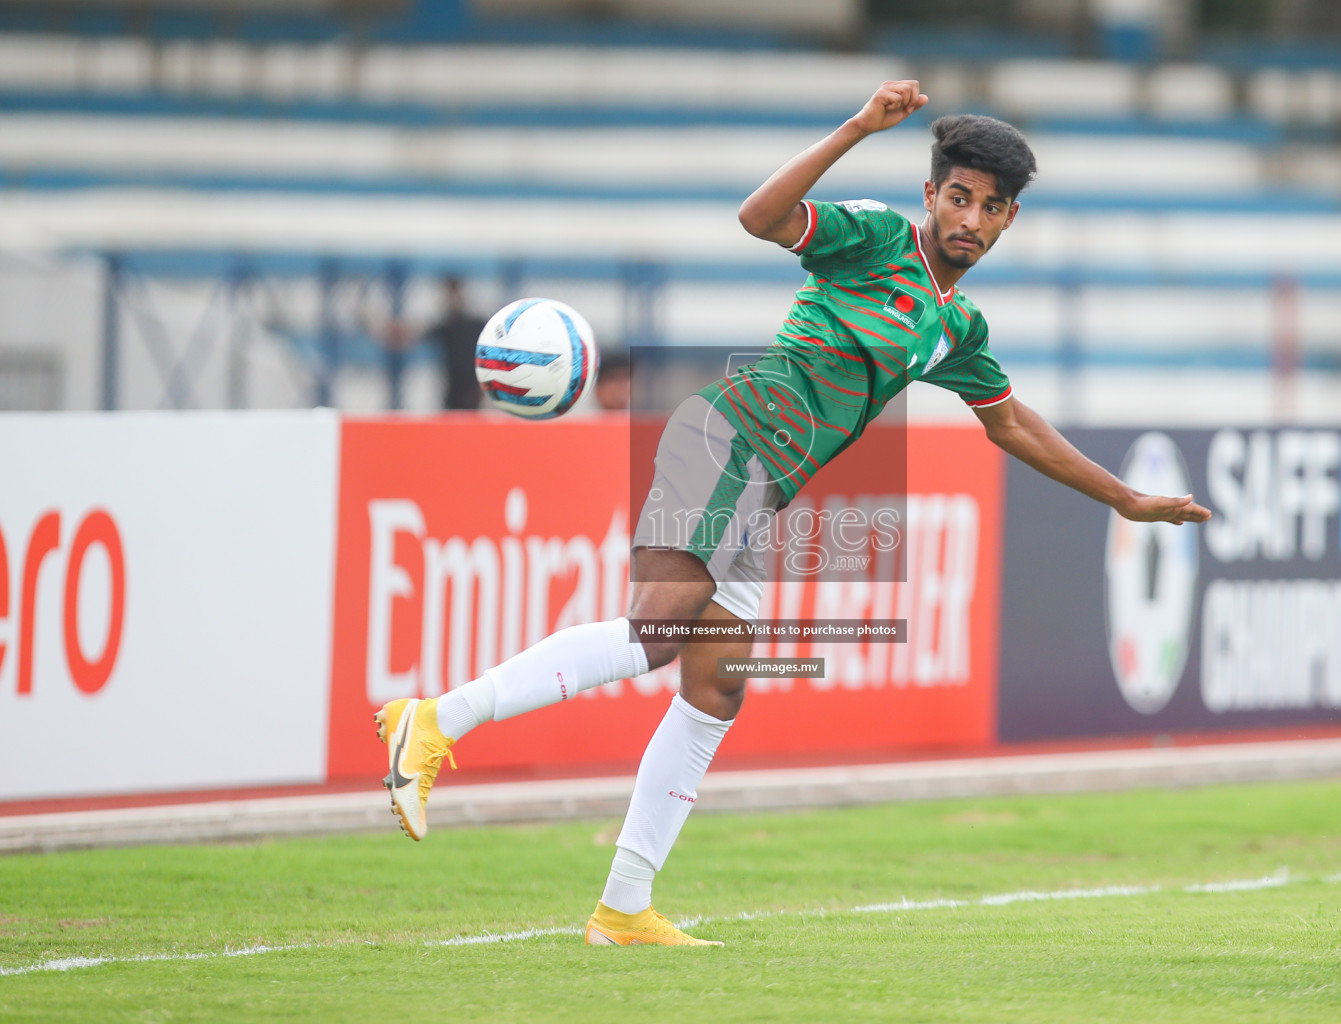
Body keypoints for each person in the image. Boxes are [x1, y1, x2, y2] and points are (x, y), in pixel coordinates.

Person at [373, 81, 1211, 947]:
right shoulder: (878, 238)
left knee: (717, 685)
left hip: (763, 486)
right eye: (957, 196)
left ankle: (623, 906)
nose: (970, 216)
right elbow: (760, 218)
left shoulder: (956, 325)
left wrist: (1126, 498)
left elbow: (1010, 422)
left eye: (990, 206)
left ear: (1007, 221)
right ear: (931, 196)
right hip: (728, 442)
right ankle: (436, 720)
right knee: (658, 633)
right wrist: (857, 127)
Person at [423, 276, 484, 410]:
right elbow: (404, 337)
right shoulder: (444, 326)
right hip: (451, 390)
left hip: (472, 390)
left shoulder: (477, 325)